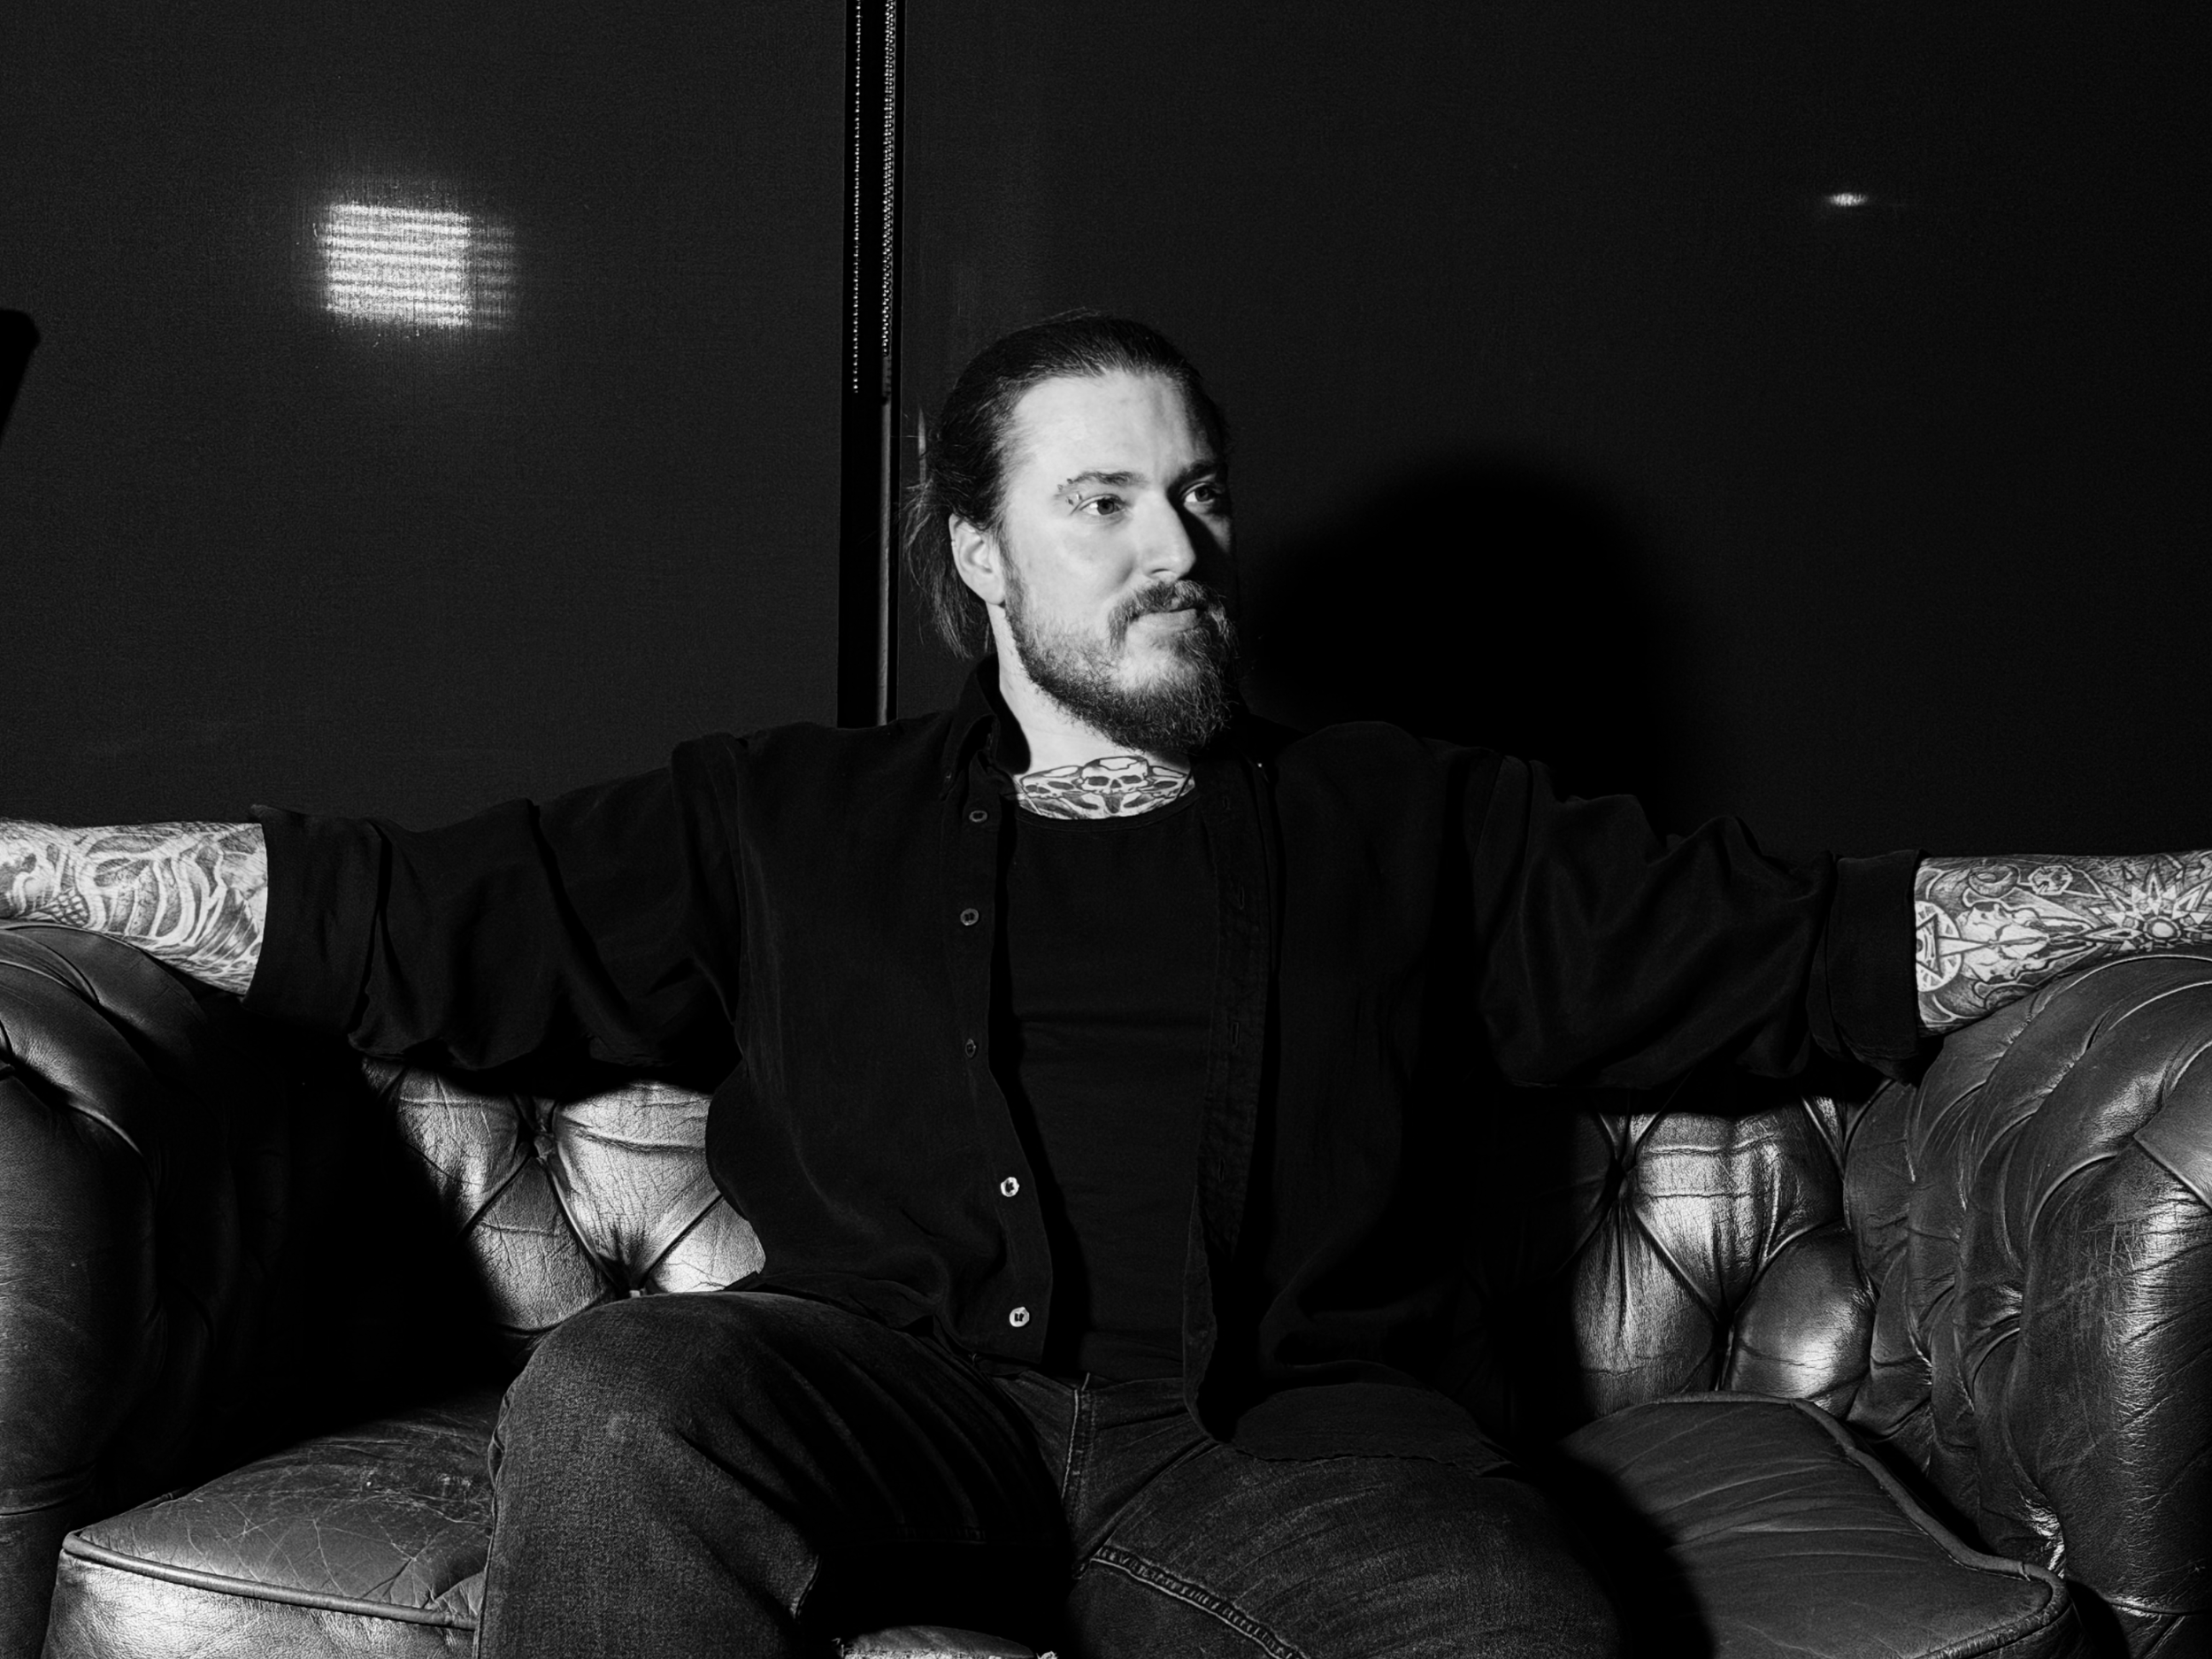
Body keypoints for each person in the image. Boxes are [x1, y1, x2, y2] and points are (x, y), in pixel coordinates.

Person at [2, 311, 2206, 1658]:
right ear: (977, 561)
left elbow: (1835, 939)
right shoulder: (780, 815)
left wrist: (2184, 892)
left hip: (1298, 1451)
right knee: (617, 1399)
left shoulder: (1410, 815)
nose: (1176, 548)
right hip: (886, 1389)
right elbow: (388, 912)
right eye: (1101, 502)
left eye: (1200, 494)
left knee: (1511, 1630)